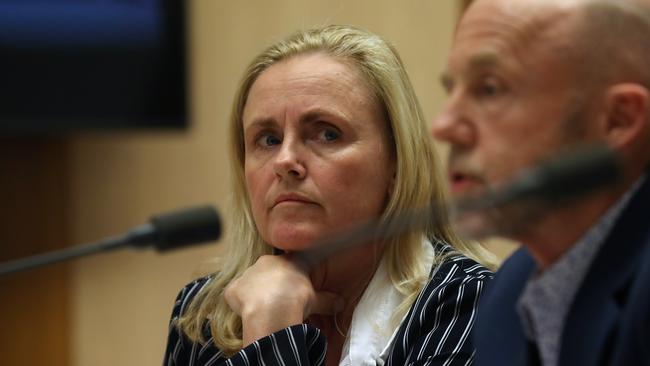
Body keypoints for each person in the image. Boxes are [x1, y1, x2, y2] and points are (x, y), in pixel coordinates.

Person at [163, 25, 495, 366]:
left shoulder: (473, 305)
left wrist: (270, 336)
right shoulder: (203, 314)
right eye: (268, 139)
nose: (285, 161)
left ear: (396, 162)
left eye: (326, 133)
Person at [432, 0, 650, 365]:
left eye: (489, 89)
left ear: (617, 120)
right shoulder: (506, 296)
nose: (443, 126)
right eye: (452, 89)